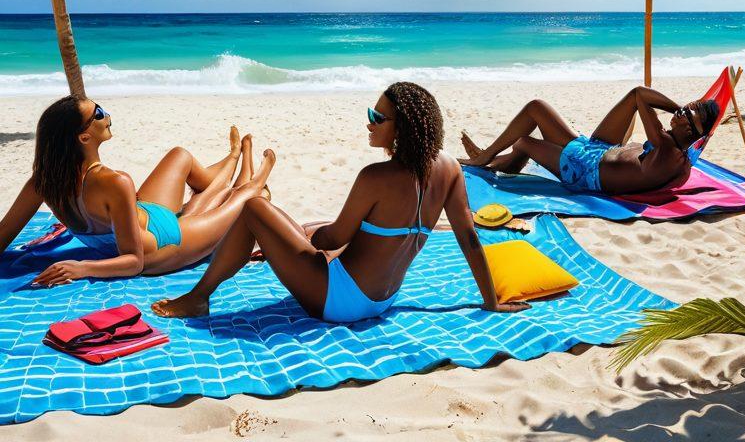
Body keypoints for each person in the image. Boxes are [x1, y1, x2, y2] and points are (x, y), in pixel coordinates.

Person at [153, 81, 526, 323]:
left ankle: (198, 297)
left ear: (405, 128)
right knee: (290, 227)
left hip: (339, 302)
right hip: (383, 301)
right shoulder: (449, 169)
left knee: (254, 208)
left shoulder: (375, 177)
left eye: (378, 117)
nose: (369, 122)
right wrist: (490, 300)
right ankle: (270, 245)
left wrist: (296, 241)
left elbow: (333, 239)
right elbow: (470, 239)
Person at [0, 96, 275, 286]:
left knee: (181, 157)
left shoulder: (45, 181)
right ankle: (256, 169)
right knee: (246, 196)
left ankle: (234, 156)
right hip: (164, 245)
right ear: (83, 137)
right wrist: (81, 267)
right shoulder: (115, 182)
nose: (107, 116)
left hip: (145, 214)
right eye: (98, 114)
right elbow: (134, 262)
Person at [460, 85, 720, 195]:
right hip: (597, 151)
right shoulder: (679, 155)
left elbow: (642, 94)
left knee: (525, 142)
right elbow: (635, 95)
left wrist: (675, 108)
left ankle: (489, 160)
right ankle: (493, 157)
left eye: (686, 113)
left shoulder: (665, 146)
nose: (680, 112)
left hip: (584, 172)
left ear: (690, 132)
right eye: (683, 108)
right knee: (536, 108)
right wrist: (684, 113)